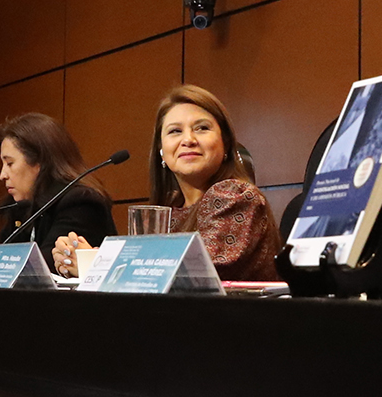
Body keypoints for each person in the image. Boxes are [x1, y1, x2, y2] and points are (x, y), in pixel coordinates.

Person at [51, 85, 280, 280]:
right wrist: (81, 257)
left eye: (202, 128)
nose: (188, 140)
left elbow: (194, 274)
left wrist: (96, 267)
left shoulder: (235, 195)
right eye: (175, 131)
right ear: (161, 150)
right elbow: (141, 271)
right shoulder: (167, 208)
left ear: (226, 143)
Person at [0, 112, 113, 258]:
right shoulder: (22, 207)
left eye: (10, 163)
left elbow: (44, 264)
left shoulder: (80, 203)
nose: (2, 175)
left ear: (40, 162)